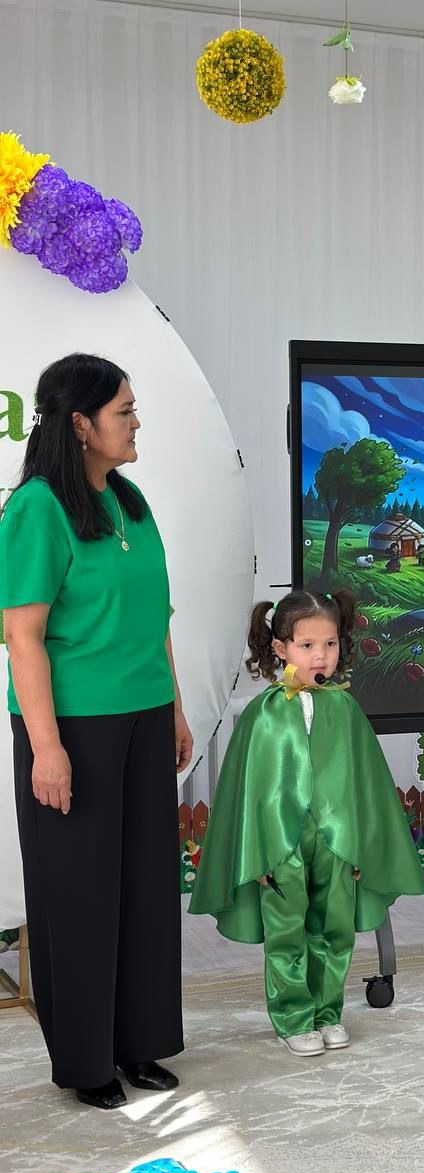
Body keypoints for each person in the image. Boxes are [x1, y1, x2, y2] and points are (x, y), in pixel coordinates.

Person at [0, 353, 193, 1110]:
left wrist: (173, 707)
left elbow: (156, 617)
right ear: (81, 424)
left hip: (144, 713)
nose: (137, 422)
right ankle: (86, 1062)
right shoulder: (36, 510)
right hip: (74, 724)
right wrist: (45, 747)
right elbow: (23, 637)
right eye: (124, 411)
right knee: (79, 892)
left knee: (145, 886)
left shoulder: (131, 500)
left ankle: (139, 1043)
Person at [189, 588, 424, 1056]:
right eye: (307, 645)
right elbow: (251, 793)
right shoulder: (263, 715)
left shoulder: (345, 709)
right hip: (281, 845)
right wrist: (258, 854)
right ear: (281, 648)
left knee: (335, 929)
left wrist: (361, 847)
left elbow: (365, 785)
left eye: (330, 644)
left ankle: (328, 1013)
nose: (321, 656)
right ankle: (294, 1018)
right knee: (287, 930)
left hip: (337, 842)